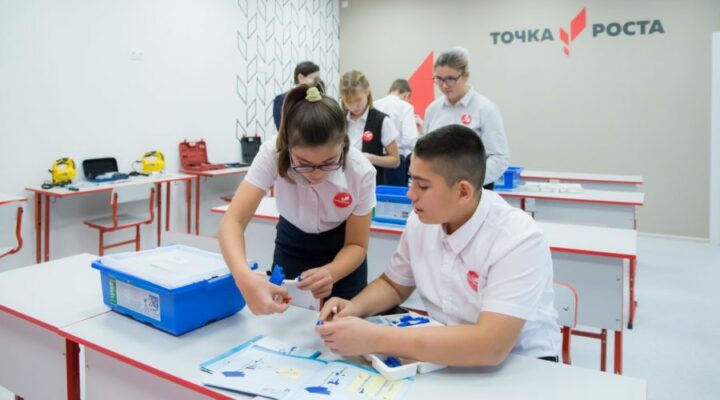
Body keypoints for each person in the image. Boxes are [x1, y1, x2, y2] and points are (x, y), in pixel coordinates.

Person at [315, 124, 560, 366]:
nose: (411, 194)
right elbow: (394, 285)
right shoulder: (422, 220)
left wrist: (375, 338)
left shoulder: (517, 239)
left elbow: (491, 346)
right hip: (445, 352)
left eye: (423, 186)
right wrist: (354, 307)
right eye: (411, 181)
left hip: (522, 366)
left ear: (463, 192)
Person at [220, 84, 376, 315]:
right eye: (304, 163)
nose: (316, 174)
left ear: (343, 145)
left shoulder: (360, 170)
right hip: (291, 244)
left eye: (328, 162)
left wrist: (331, 272)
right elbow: (232, 221)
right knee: (284, 323)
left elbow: (357, 244)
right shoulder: (272, 153)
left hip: (343, 254)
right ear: (287, 147)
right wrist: (243, 277)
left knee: (342, 326)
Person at [424, 47, 509, 189]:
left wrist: (469, 182)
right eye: (439, 79)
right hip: (440, 188)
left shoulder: (485, 109)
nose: (444, 85)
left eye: (450, 79)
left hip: (474, 189)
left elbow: (499, 158)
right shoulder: (433, 110)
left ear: (466, 76)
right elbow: (425, 152)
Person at [340, 70, 400, 185]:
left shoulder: (382, 121)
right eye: (348, 102)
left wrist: (370, 158)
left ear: (367, 91)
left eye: (358, 100)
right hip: (342, 184)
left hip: (371, 185)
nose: (354, 106)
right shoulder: (338, 120)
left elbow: (395, 160)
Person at [373, 79, 419, 186]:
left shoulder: (374, 104)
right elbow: (410, 139)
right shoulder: (406, 107)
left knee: (374, 194)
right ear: (406, 95)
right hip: (396, 162)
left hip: (374, 160)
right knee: (394, 195)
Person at [272, 61, 320, 130]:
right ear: (300, 77)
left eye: (318, 79)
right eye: (313, 78)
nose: (317, 83)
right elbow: (281, 128)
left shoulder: (319, 99)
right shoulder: (281, 100)